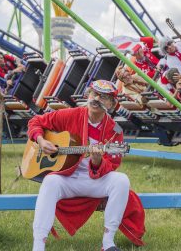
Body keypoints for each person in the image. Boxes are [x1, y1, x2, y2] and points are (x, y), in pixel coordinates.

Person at [28, 80, 145, 251]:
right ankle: (38, 246)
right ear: (88, 96)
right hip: (67, 177)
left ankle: (108, 243)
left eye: (104, 97)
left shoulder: (116, 131)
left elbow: (113, 163)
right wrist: (41, 140)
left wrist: (97, 161)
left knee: (121, 180)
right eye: (94, 94)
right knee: (50, 182)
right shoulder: (70, 114)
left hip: (94, 181)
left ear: (112, 104)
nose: (97, 99)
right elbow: (35, 122)